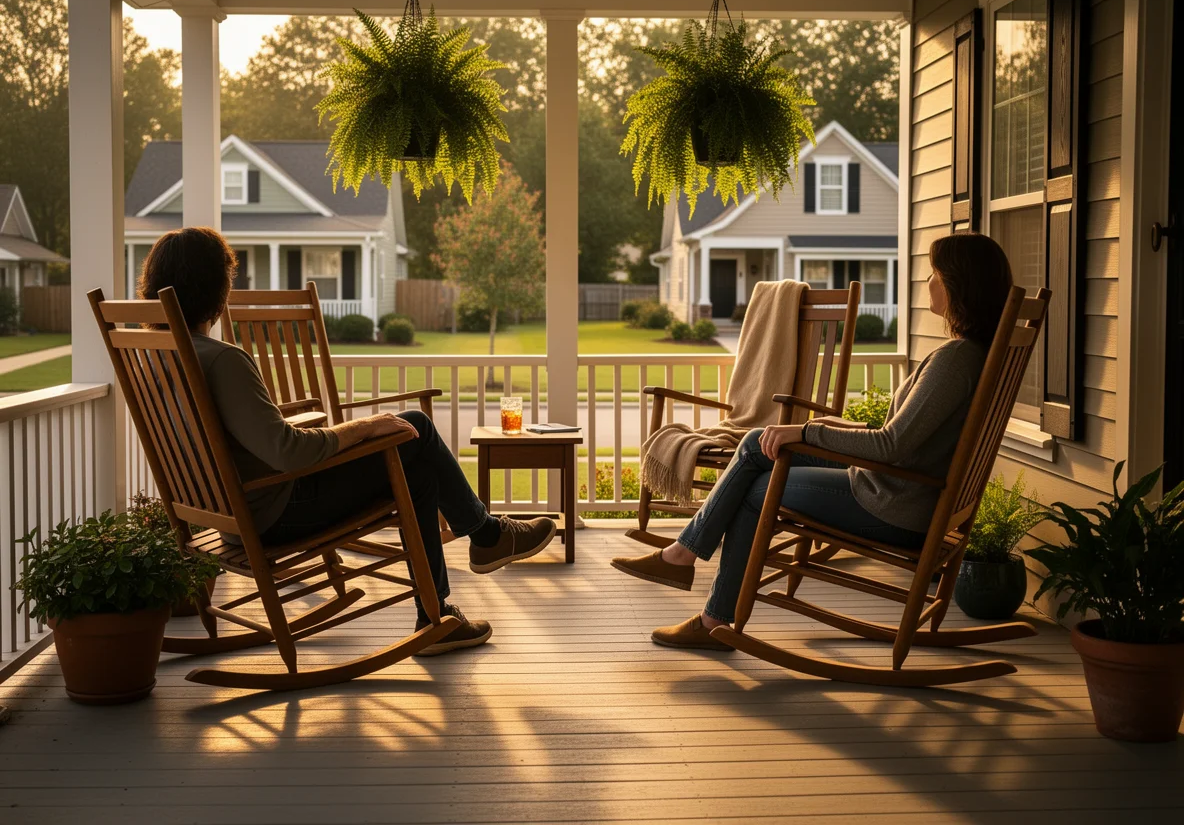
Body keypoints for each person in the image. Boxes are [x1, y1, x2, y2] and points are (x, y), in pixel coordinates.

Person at [138, 227, 557, 656]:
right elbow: (288, 451)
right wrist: (367, 426)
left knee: (413, 460)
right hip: (275, 514)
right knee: (414, 427)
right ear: (218, 289)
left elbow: (252, 441)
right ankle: (476, 550)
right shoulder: (222, 359)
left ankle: (451, 593)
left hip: (227, 520)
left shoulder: (153, 356)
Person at [610, 232, 1014, 649]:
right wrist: (832, 426)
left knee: (757, 491)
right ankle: (685, 560)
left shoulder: (955, 361)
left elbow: (892, 446)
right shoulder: (972, 356)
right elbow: (904, 439)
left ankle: (709, 610)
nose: (927, 282)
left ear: (957, 283)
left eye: (934, 273)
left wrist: (806, 430)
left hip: (893, 502)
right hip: (900, 487)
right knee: (755, 443)